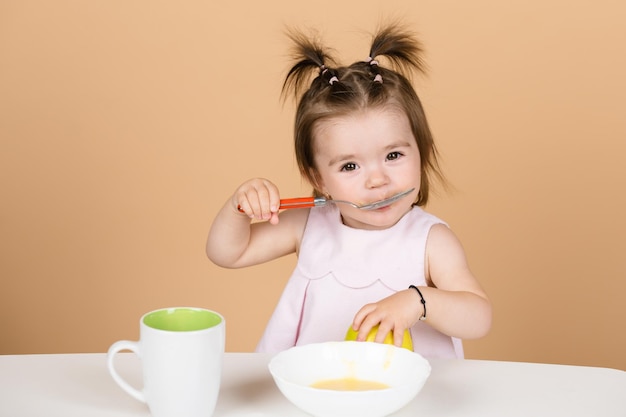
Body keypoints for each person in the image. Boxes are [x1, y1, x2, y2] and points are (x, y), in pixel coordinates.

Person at [206, 24, 492, 358]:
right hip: (317, 395)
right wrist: (238, 206)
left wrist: (418, 301)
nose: (377, 180)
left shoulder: (430, 240)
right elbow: (228, 253)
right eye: (350, 167)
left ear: (422, 153)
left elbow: (479, 318)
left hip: (407, 402)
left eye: (393, 155)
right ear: (318, 179)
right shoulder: (309, 225)